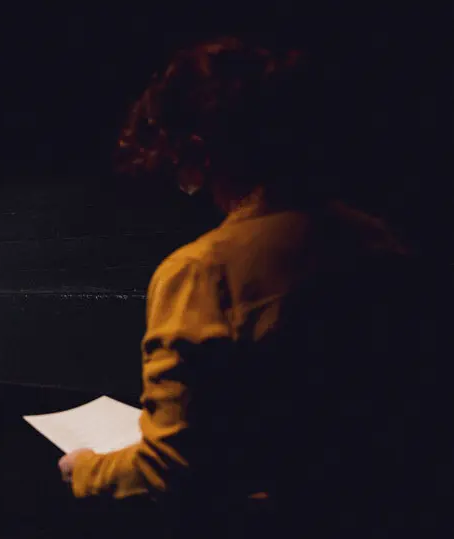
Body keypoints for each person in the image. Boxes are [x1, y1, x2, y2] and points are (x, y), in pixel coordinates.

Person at [57, 37, 446, 537]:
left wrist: (86, 470)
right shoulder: (382, 241)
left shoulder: (203, 272)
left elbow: (168, 471)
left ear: (197, 152)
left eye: (177, 161)